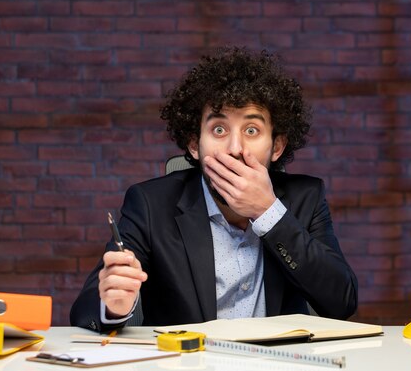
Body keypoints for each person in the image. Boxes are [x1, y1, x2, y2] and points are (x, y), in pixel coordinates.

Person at [70, 47, 358, 333]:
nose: (235, 149)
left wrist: (268, 213)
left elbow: (341, 303)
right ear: (195, 145)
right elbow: (84, 313)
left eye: (252, 130)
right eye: (219, 130)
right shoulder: (150, 204)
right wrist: (113, 306)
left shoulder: (304, 198)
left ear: (277, 147)